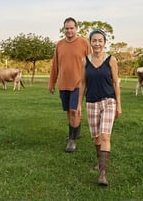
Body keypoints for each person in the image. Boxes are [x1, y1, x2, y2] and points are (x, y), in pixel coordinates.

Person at [77, 29, 122, 186]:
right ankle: (99, 162)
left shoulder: (111, 60)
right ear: (91, 43)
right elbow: (82, 83)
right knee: (96, 137)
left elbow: (116, 83)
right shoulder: (85, 61)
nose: (97, 43)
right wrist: (79, 105)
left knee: (105, 136)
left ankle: (103, 174)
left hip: (108, 101)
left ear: (104, 42)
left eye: (100, 40)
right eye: (94, 40)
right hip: (91, 102)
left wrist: (119, 105)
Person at [48, 17, 91, 152]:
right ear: (64, 29)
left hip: (78, 83)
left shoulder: (84, 43)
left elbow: (91, 63)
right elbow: (55, 65)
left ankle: (72, 140)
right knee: (68, 111)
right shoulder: (59, 44)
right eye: (67, 28)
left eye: (72, 28)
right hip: (63, 83)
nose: (69, 30)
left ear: (76, 28)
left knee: (74, 110)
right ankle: (75, 132)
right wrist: (51, 82)